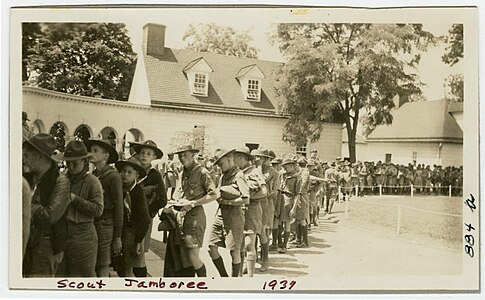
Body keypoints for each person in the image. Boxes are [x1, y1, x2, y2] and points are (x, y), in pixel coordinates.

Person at [22, 134, 71, 277]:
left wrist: (27, 206)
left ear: (39, 156)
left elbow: (50, 216)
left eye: (27, 155)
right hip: (27, 242)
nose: (24, 160)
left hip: (46, 245)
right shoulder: (27, 178)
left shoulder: (60, 181)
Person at [54, 140, 103, 277]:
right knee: (62, 277)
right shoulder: (62, 180)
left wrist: (75, 199)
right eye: (68, 163)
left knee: (83, 277)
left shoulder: (92, 181)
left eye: (75, 163)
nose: (71, 166)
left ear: (84, 161)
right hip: (64, 235)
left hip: (84, 237)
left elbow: (98, 210)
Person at [170, 144, 217, 277]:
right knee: (184, 257)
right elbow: (179, 194)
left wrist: (193, 203)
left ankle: (204, 284)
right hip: (181, 217)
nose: (182, 157)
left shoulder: (202, 172)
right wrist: (176, 201)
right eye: (180, 155)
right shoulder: (181, 173)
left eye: (185, 154)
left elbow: (214, 195)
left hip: (195, 218)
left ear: (193, 155)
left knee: (193, 256)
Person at [85, 138, 123, 277]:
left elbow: (119, 206)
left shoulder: (113, 177)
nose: (91, 153)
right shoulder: (93, 176)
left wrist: (118, 236)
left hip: (106, 224)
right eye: (91, 150)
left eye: (95, 151)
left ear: (105, 156)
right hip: (93, 223)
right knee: (92, 261)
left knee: (103, 263)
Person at [208, 148, 249, 277]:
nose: (220, 167)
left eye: (221, 163)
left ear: (230, 159)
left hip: (234, 216)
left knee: (234, 252)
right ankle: (224, 277)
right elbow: (218, 192)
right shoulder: (223, 175)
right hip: (220, 215)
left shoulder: (239, 175)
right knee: (211, 248)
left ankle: (234, 279)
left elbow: (246, 198)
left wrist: (229, 202)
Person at [130, 140, 168, 277]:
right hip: (129, 217)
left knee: (139, 253)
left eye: (148, 154)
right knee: (131, 251)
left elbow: (163, 200)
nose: (144, 156)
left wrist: (146, 210)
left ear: (154, 157)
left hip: (144, 219)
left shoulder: (154, 175)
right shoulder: (133, 171)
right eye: (142, 153)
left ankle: (143, 284)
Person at [115, 157, 151, 277]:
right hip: (122, 230)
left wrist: (138, 241)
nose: (125, 175)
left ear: (137, 175)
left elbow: (145, 219)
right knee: (121, 263)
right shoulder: (120, 189)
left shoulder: (138, 192)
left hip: (133, 232)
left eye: (129, 172)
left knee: (128, 263)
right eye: (123, 171)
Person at [233, 147, 266, 277]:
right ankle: (240, 274)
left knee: (249, 244)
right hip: (239, 210)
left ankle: (250, 278)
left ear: (242, 158)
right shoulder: (237, 172)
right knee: (239, 245)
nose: (234, 160)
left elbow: (264, 192)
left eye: (235, 157)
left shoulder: (255, 172)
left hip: (252, 210)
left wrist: (247, 196)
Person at [252, 149, 277, 272]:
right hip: (253, 204)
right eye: (257, 157)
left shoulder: (273, 172)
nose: (258, 159)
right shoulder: (253, 170)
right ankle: (253, 258)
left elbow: (275, 191)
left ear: (267, 159)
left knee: (263, 232)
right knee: (252, 231)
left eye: (261, 157)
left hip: (266, 204)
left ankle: (265, 260)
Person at [278, 155, 301, 254]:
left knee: (287, 223)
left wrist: (294, 209)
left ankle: (284, 245)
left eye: (287, 166)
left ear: (292, 166)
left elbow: (297, 195)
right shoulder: (283, 175)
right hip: (280, 198)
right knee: (278, 223)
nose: (285, 168)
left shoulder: (297, 178)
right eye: (284, 167)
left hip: (289, 200)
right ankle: (279, 242)